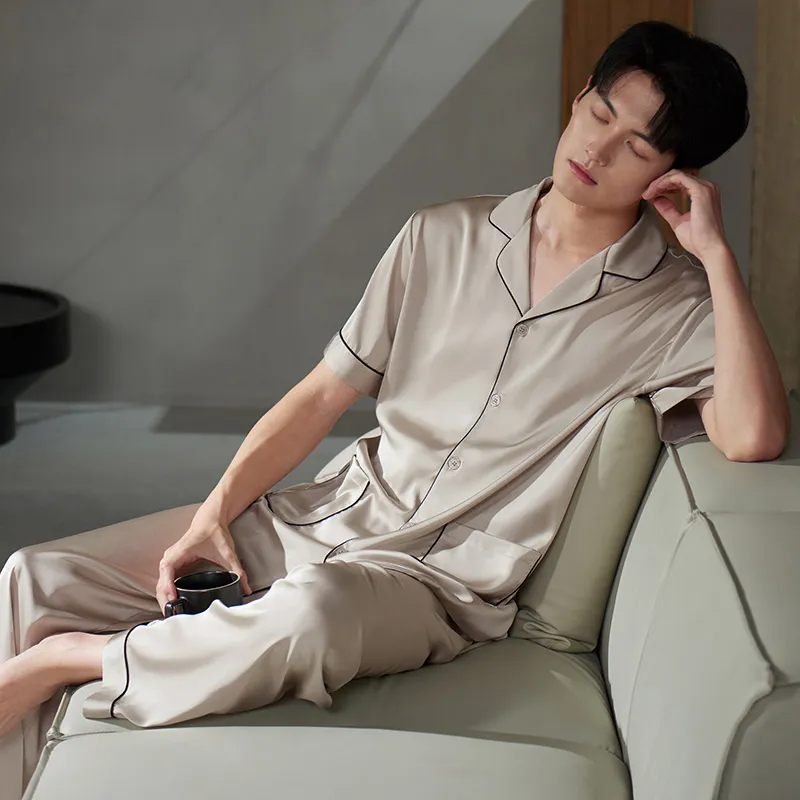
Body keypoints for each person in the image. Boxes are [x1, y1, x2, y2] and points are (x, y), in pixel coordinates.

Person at [0, 19, 790, 800]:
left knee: (314, 613)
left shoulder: (673, 304)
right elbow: (322, 394)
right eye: (598, 114)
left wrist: (716, 256)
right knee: (37, 577)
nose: (597, 149)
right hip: (329, 514)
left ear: (673, 175)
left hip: (433, 584)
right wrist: (214, 515)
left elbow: (753, 435)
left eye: (637, 148)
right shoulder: (440, 235)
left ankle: (72, 661)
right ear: (581, 96)